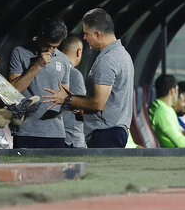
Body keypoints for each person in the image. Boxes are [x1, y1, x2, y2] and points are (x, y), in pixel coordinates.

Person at [43, 8, 134, 148]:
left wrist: (67, 99)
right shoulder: (123, 55)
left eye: (86, 34)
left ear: (98, 34)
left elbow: (98, 104)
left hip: (105, 133)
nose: (84, 38)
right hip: (114, 131)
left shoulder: (108, 60)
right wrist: (73, 100)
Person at [8, 18, 71, 148]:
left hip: (56, 133)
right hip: (26, 132)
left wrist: (69, 101)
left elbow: (65, 97)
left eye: (54, 47)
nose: (50, 50)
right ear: (40, 35)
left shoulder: (64, 60)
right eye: (47, 45)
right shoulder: (19, 52)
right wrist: (38, 65)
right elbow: (12, 91)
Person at [59, 34, 86, 148]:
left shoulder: (53, 69)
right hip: (71, 139)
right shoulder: (74, 74)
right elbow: (82, 109)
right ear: (79, 51)